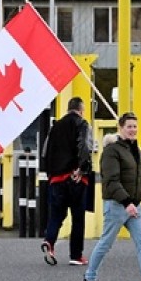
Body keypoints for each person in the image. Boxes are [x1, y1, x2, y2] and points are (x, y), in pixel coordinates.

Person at [80, 112, 141, 281]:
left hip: (134, 205)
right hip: (117, 205)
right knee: (105, 244)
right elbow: (112, 181)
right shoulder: (111, 151)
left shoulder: (136, 150)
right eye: (129, 126)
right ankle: (89, 279)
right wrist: (126, 203)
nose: (133, 130)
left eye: (135, 126)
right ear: (121, 128)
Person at [40, 97, 93, 266]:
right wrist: (82, 168)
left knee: (56, 215)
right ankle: (76, 255)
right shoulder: (82, 124)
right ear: (80, 109)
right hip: (74, 177)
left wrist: (51, 175)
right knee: (77, 218)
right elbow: (84, 146)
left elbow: (45, 152)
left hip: (56, 179)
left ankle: (49, 241)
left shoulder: (55, 127)